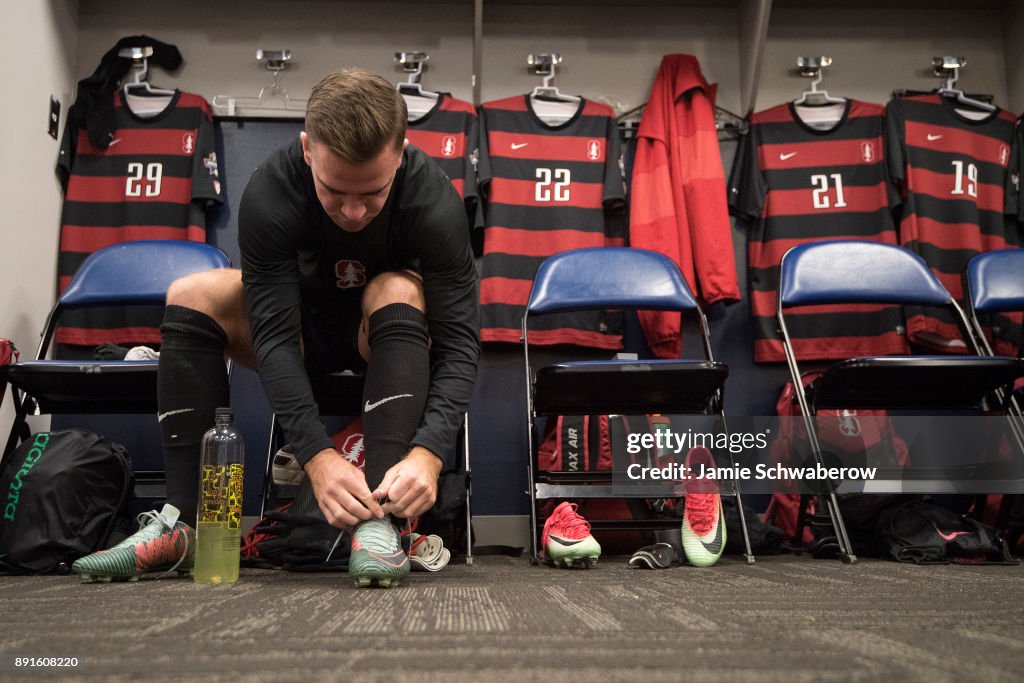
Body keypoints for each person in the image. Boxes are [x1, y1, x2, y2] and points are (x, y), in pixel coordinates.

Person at [72, 68, 480, 587]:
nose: (353, 212)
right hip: (297, 334)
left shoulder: (433, 201)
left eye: (373, 193)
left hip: (384, 338)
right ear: (308, 149)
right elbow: (275, 339)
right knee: (193, 292)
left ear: (401, 153)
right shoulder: (272, 191)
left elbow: (460, 342)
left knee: (396, 287)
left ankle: (380, 523)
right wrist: (317, 456)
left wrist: (429, 454)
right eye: (334, 191)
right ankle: (186, 524)